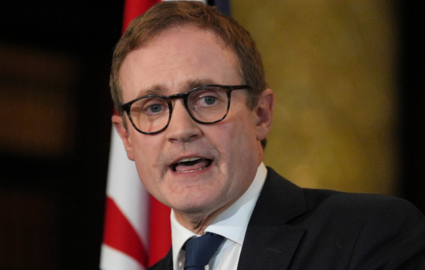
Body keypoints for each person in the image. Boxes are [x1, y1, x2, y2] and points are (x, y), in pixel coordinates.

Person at [110, 2, 425, 270]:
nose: (181, 130)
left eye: (207, 99)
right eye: (152, 108)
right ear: (126, 138)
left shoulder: (368, 234)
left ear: (260, 114)